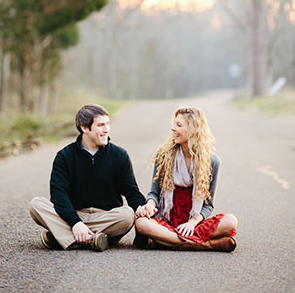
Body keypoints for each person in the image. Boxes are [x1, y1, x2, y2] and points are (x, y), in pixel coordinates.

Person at [28, 104, 145, 252]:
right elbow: (59, 196)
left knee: (127, 215)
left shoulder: (120, 155)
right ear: (84, 128)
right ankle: (92, 239)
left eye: (107, 124)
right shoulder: (65, 156)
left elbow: (131, 192)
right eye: (101, 125)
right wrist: (76, 223)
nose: (106, 130)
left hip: (106, 217)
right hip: (73, 214)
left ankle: (65, 237)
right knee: (36, 205)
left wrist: (141, 207)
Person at [134, 106, 238, 251]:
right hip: (167, 220)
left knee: (231, 221)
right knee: (141, 223)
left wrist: (192, 223)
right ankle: (205, 245)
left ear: (193, 130)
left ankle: (167, 241)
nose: (173, 129)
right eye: (173, 124)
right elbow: (154, 193)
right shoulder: (164, 156)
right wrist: (150, 205)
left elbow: (208, 205)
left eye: (178, 125)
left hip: (193, 222)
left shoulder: (212, 161)